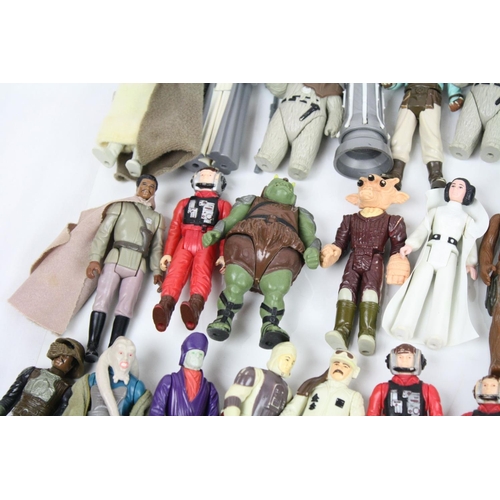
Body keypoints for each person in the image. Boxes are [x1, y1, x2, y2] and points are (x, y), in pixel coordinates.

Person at [383, 178, 489, 350]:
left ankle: (437, 334)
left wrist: (471, 263)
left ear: (467, 193)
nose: (455, 189)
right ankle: (404, 324)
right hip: (430, 250)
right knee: (417, 288)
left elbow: (469, 241)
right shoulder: (436, 211)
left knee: (444, 294)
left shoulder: (466, 218)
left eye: (460, 187)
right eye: (453, 185)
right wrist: (411, 245)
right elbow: (423, 229)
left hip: (450, 255)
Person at [85, 174, 164, 362]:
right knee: (102, 299)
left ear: (155, 191)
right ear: (137, 186)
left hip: (138, 264)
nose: (147, 188)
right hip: (116, 256)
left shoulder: (157, 218)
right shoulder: (121, 206)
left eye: (152, 186)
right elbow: (103, 233)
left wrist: (157, 270)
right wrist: (95, 258)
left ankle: (114, 351)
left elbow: (157, 247)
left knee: (126, 307)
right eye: (144, 184)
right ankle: (92, 346)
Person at [152, 168, 231, 332]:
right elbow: (174, 229)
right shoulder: (184, 203)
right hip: (185, 240)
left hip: (207, 241)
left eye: (210, 175)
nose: (205, 176)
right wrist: (168, 253)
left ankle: (195, 308)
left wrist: (224, 254)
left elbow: (226, 231)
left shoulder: (223, 205)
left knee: (202, 273)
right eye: (202, 174)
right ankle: (165, 306)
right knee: (175, 273)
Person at [382, 83, 464, 189]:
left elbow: (453, 82)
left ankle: (436, 175)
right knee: (401, 134)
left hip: (432, 97)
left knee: (431, 135)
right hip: (409, 97)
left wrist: (455, 96)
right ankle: (395, 172)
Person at [64, 337, 151, 416]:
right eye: (121, 353)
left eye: (130, 355)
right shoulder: (92, 380)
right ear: (112, 354)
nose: (125, 358)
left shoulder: (136, 387)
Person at [0, 338, 85, 416]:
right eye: (59, 353)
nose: (60, 357)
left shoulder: (66, 389)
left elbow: (60, 414)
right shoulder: (31, 372)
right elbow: (10, 397)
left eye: (66, 356)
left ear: (72, 365)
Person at [149, 332, 219, 416]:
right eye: (193, 353)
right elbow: (156, 411)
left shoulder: (210, 389)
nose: (197, 357)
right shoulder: (168, 382)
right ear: (184, 355)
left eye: (200, 354)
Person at [281, 349, 365, 416]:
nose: (339, 367)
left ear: (354, 372)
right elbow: (292, 409)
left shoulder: (353, 396)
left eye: (345, 366)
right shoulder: (312, 386)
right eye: (336, 364)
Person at [367, 344, 443, 416]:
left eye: (409, 357)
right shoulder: (381, 389)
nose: (404, 360)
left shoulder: (428, 390)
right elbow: (372, 414)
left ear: (417, 360)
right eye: (400, 357)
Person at [223, 342, 296, 416]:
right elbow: (233, 397)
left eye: (293, 363)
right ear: (276, 357)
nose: (289, 365)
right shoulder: (253, 374)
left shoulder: (288, 392)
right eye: (287, 359)